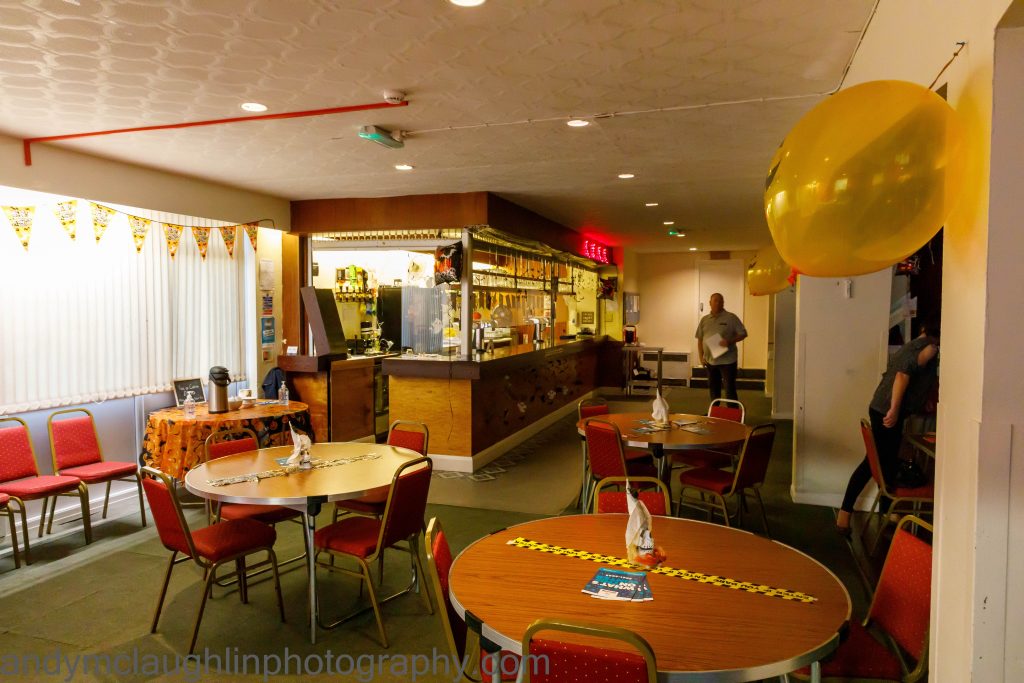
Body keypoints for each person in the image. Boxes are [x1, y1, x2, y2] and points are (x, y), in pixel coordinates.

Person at [835, 320, 940, 536]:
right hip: (888, 409)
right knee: (874, 464)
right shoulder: (930, 348)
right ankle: (846, 513)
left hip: (881, 406)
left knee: (885, 461)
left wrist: (920, 402)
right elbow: (902, 376)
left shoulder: (914, 343)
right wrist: (894, 409)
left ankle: (884, 511)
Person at [695, 293, 747, 401]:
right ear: (710, 303)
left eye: (721, 301)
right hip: (710, 361)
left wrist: (730, 341)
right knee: (714, 389)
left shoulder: (731, 318)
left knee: (729, 390)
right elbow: (700, 339)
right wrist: (701, 357)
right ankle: (714, 414)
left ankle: (732, 415)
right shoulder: (704, 320)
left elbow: (743, 333)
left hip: (728, 362)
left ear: (723, 303)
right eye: (716, 301)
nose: (718, 303)